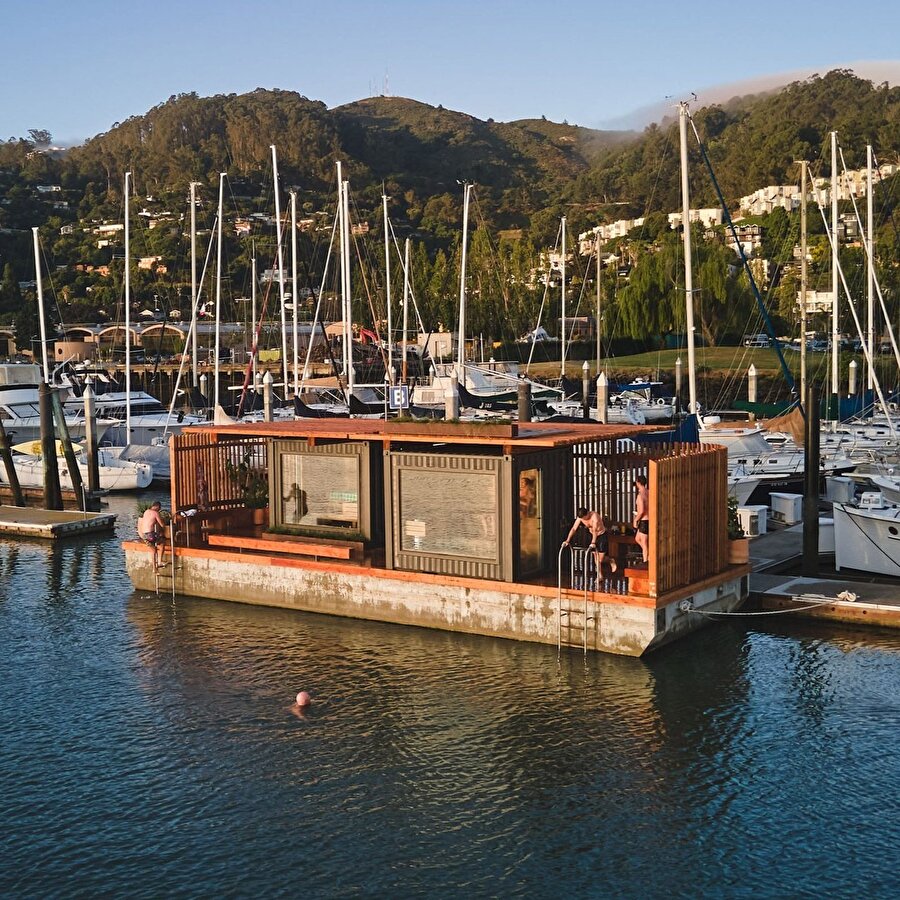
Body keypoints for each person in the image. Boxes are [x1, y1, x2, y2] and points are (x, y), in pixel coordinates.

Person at [564, 507, 617, 576]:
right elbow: (574, 528)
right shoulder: (580, 518)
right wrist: (567, 540)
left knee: (600, 559)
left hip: (601, 535)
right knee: (596, 557)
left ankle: (610, 560)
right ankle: (600, 575)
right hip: (591, 535)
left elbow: (595, 530)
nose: (583, 520)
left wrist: (593, 542)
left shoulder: (594, 517)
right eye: (582, 519)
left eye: (584, 518)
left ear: (587, 514)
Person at [138, 500, 166, 569]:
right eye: (159, 508)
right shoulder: (155, 513)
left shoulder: (146, 511)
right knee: (162, 543)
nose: (159, 510)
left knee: (153, 551)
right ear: (158, 507)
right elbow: (162, 525)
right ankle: (159, 562)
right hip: (150, 535)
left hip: (144, 535)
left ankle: (154, 569)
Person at [633, 475, 649, 563]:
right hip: (649, 519)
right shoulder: (649, 492)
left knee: (644, 543)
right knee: (637, 538)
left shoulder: (640, 495)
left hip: (644, 520)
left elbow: (642, 510)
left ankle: (646, 562)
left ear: (638, 482)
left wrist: (635, 520)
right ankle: (650, 555)